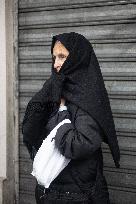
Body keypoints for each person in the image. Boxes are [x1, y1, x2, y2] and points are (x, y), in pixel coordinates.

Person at [22, 32, 120, 204]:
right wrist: (45, 94)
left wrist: (61, 110)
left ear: (77, 58)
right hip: (50, 190)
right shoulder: (55, 88)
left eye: (62, 57)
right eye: (54, 57)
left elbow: (78, 145)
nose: (56, 64)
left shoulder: (89, 96)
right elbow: (30, 133)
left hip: (79, 195)